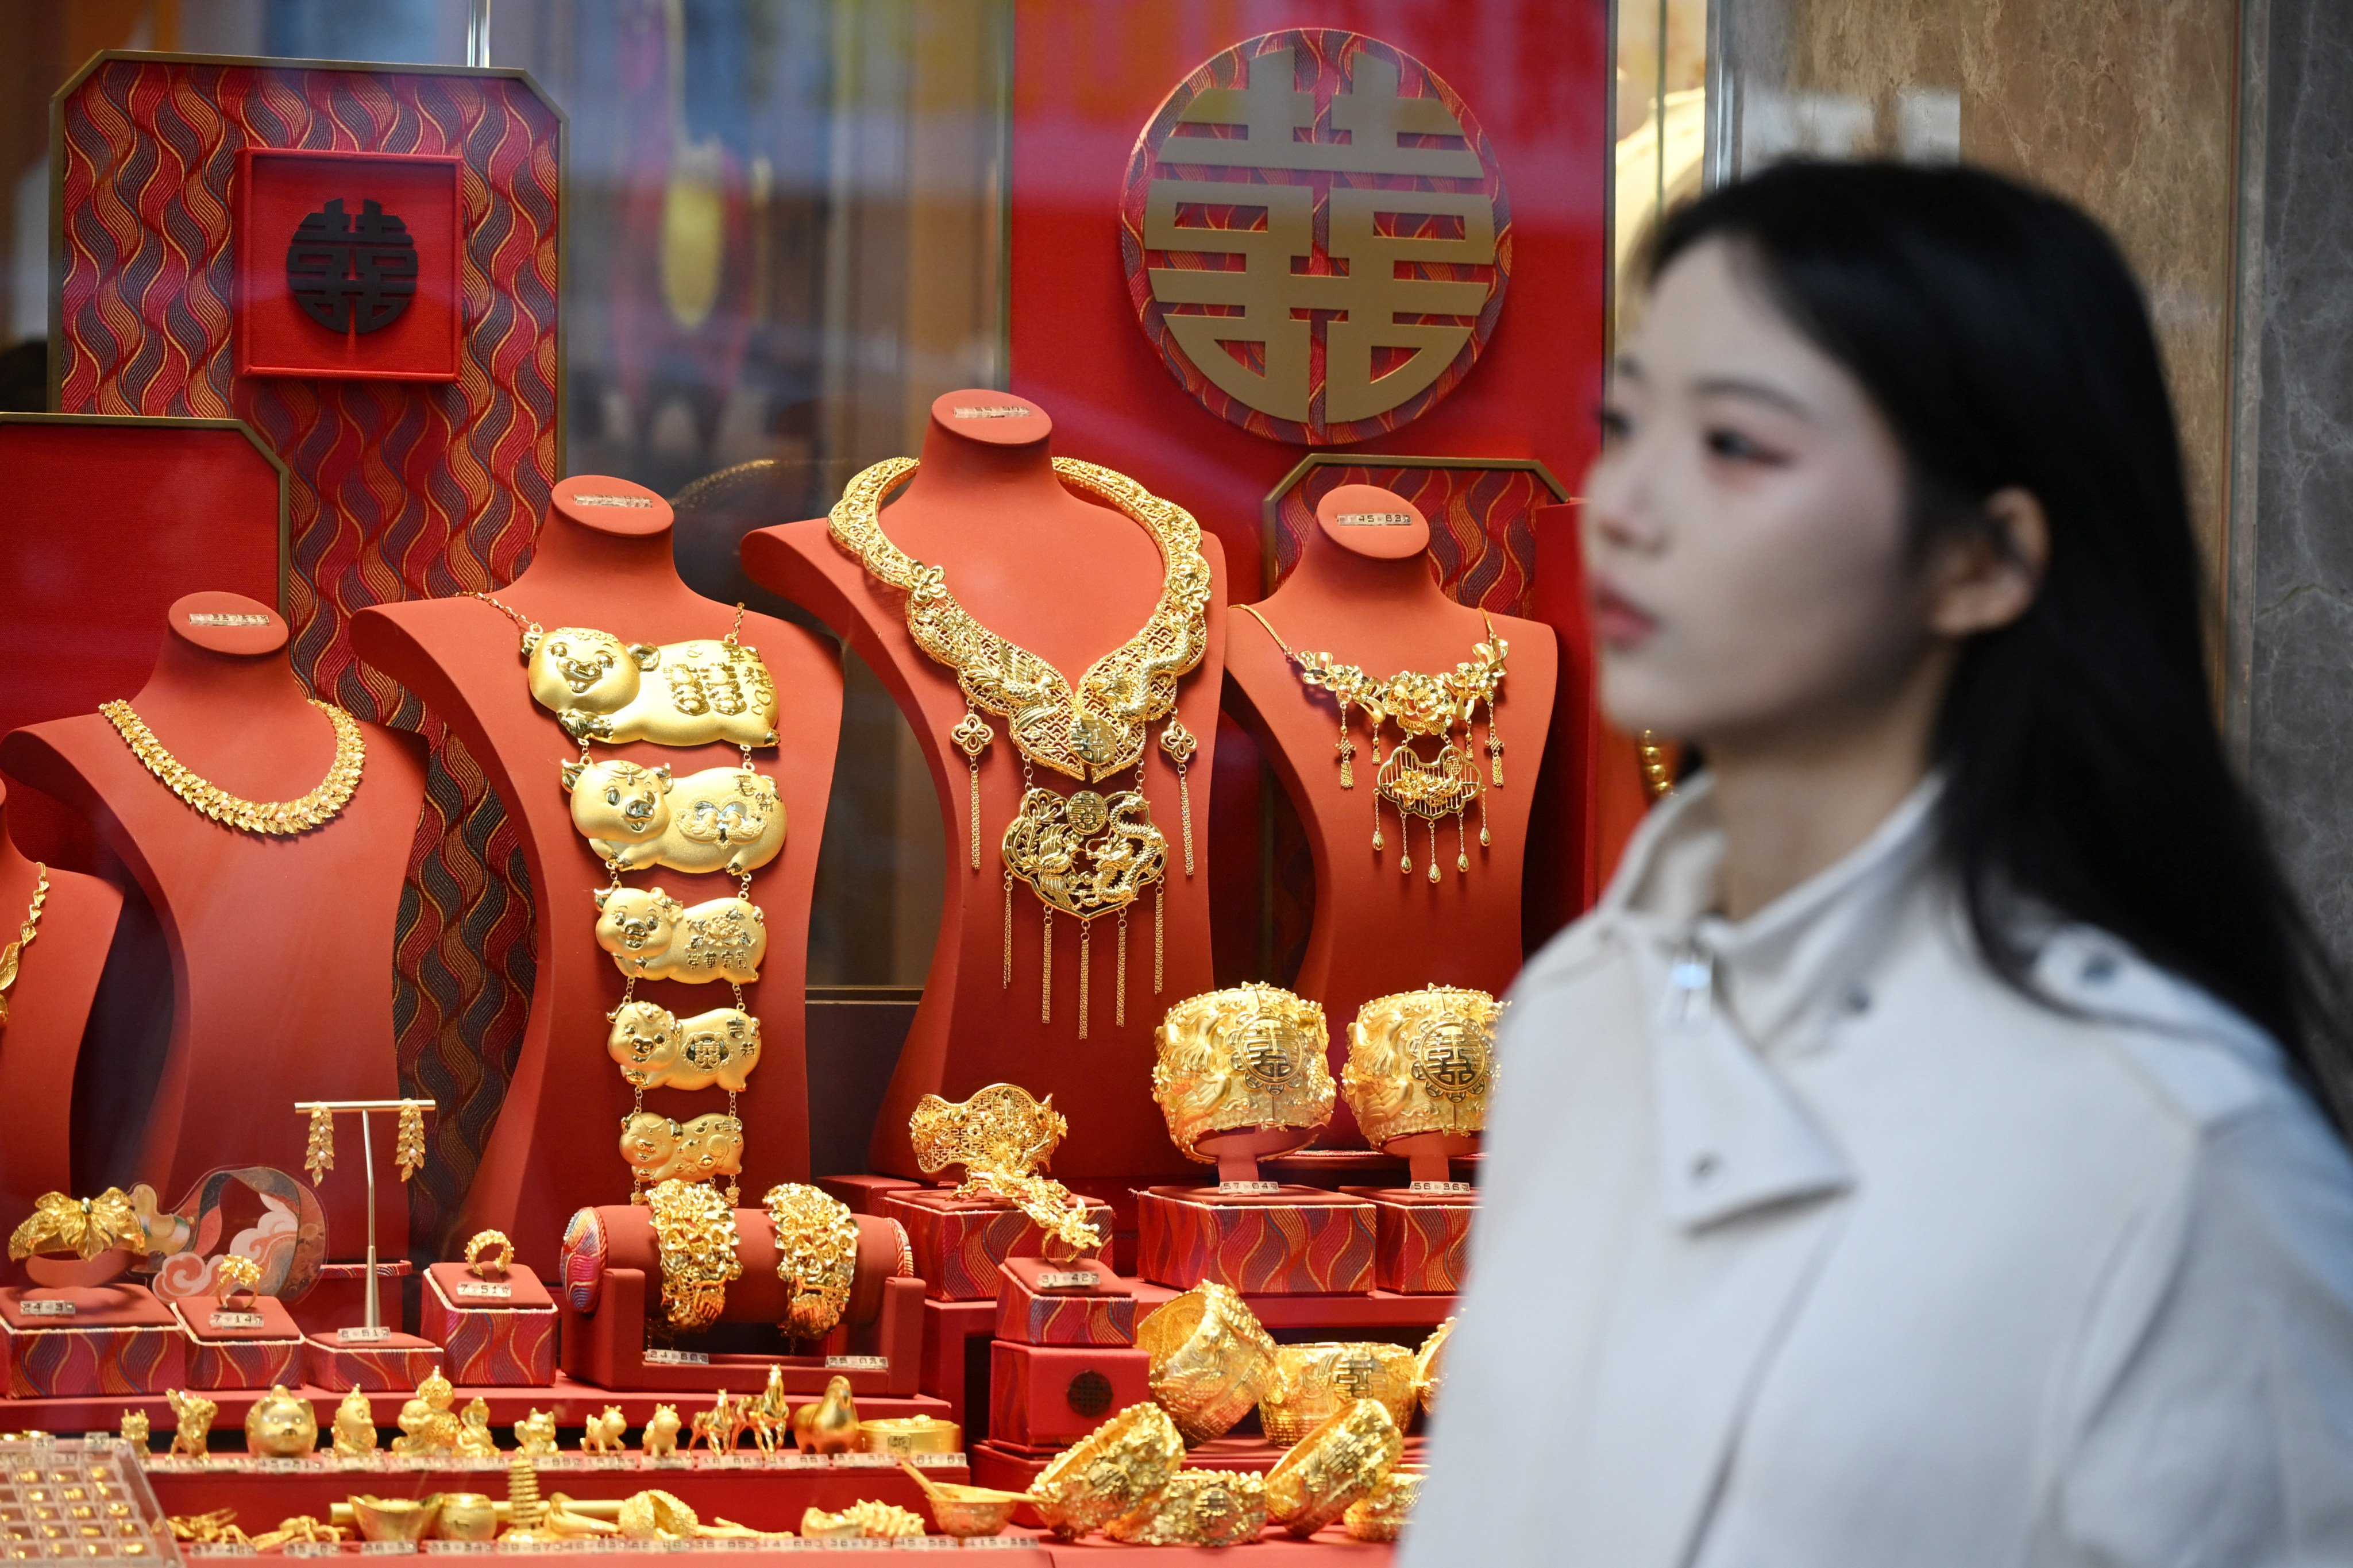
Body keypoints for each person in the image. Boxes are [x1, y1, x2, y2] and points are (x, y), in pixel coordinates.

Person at [1406, 161, 2353, 1567]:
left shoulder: (2172, 1153)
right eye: (1622, 426)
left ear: (1981, 560)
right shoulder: (1571, 1015)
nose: (1620, 504)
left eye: (1734, 445)